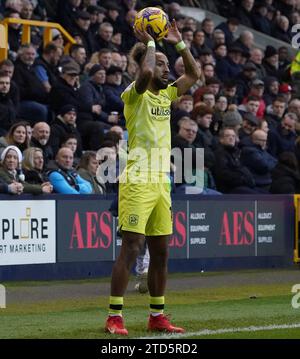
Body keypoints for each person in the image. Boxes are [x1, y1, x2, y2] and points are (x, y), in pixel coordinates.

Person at [105, 20, 200, 335]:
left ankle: (156, 315)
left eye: (166, 66)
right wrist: (152, 46)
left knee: (161, 251)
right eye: (160, 64)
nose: (166, 70)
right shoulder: (134, 94)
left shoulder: (167, 95)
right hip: (138, 179)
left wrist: (179, 43)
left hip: (162, 181)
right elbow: (145, 74)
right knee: (132, 246)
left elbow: (194, 74)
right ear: (145, 62)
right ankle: (114, 317)